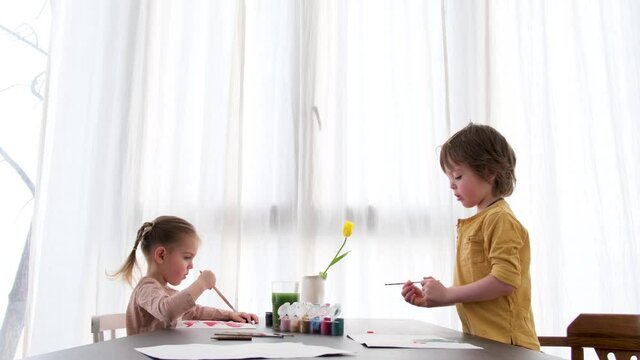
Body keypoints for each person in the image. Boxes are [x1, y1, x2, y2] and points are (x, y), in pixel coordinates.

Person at [401, 123, 539, 350]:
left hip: (509, 347)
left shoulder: (500, 219)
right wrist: (435, 298)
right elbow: (478, 287)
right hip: (485, 344)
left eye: (457, 176)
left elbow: (505, 282)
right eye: (449, 179)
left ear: (489, 171)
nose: (451, 185)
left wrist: (447, 294)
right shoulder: (478, 222)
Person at [111, 215, 259, 335]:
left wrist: (229, 315)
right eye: (187, 257)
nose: (191, 265)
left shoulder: (165, 292)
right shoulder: (146, 289)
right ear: (161, 255)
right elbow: (167, 311)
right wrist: (201, 284)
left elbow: (195, 311)